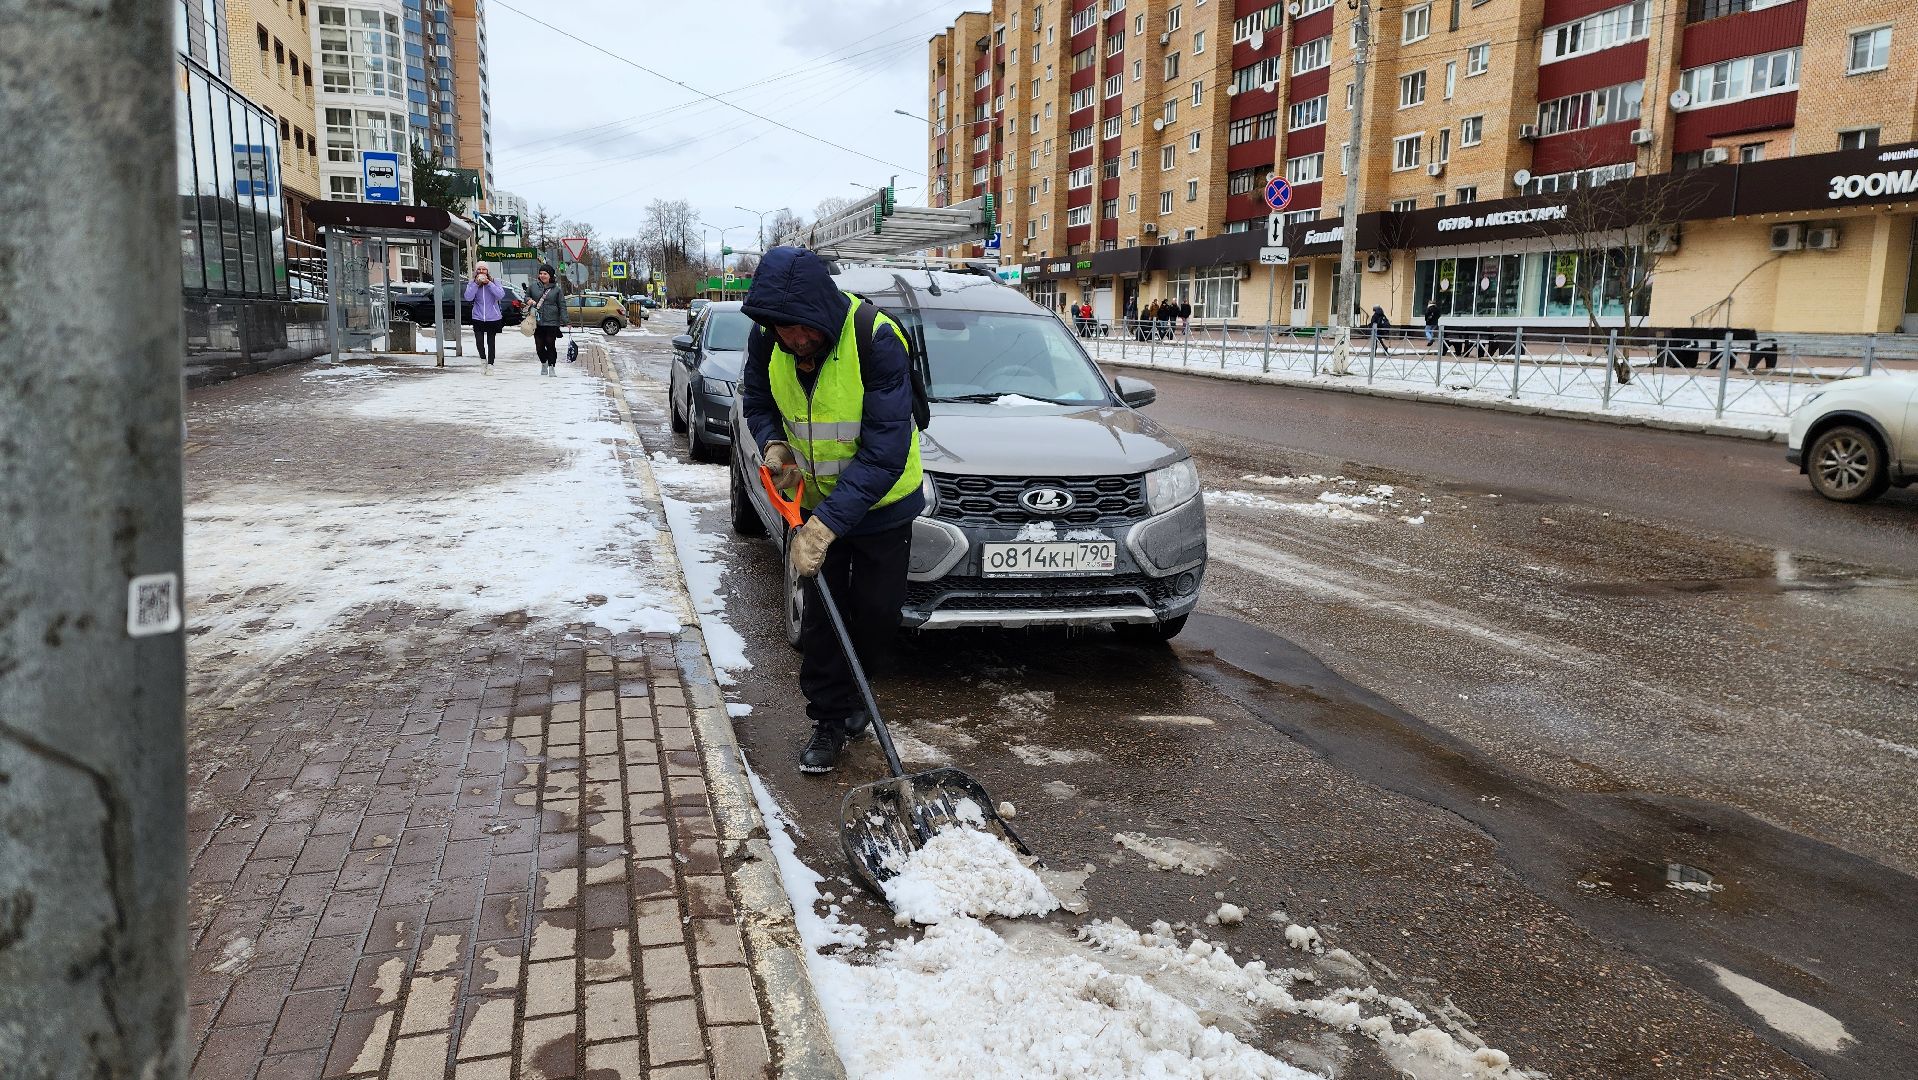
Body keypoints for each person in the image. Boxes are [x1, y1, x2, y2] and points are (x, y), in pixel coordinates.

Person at [739, 247, 924, 774]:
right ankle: (827, 718)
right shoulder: (766, 338)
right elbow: (758, 400)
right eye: (782, 329)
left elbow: (885, 451)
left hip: (883, 507)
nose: (793, 339)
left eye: (802, 328)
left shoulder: (876, 339)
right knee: (821, 619)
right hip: (811, 502)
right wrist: (775, 446)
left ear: (823, 310)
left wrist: (826, 527)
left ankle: (859, 699)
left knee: (876, 615)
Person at [465, 263, 507, 374]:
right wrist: (476, 284)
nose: (481, 271)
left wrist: (488, 283)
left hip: (492, 317)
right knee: (479, 341)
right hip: (478, 316)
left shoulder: (494, 281)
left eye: (484, 269)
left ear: (487, 271)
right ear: (476, 271)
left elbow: (500, 295)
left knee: (491, 342)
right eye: (479, 269)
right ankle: (483, 360)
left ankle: (491, 364)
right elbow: (468, 297)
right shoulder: (472, 282)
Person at [530, 265, 564, 376]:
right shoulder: (533, 287)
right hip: (537, 321)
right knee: (539, 346)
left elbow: (562, 305)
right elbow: (526, 296)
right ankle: (544, 363)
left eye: (545, 274)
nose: (542, 276)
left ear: (550, 275)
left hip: (552, 321)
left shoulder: (556, 289)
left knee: (550, 344)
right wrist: (529, 300)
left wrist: (566, 321)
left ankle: (552, 366)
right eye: (541, 273)